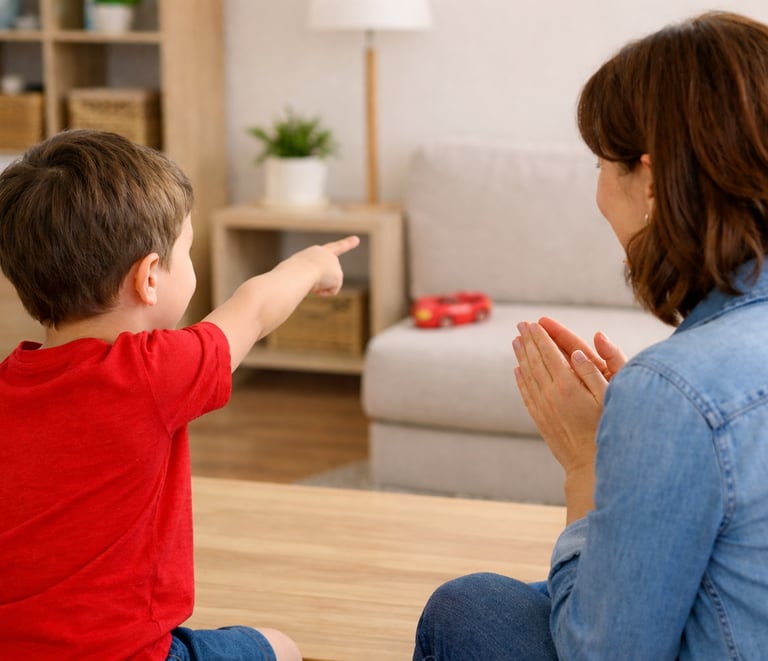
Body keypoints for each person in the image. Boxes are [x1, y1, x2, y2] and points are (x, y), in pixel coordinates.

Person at [413, 11, 768, 660]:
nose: (600, 193)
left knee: (469, 608)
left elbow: (604, 653)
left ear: (653, 181)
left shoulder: (674, 393)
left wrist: (589, 463)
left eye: (603, 164)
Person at [0, 128, 360, 661]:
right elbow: (255, 307)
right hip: (129, 655)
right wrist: (311, 265)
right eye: (186, 251)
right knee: (281, 646)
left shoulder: (10, 381)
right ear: (149, 278)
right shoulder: (152, 373)